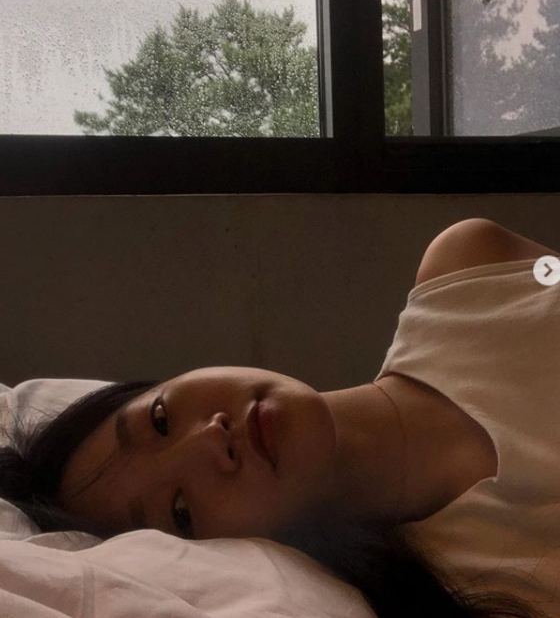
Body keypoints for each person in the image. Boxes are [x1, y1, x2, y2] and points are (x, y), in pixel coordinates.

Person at [0, 217, 558, 618]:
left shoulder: (469, 267)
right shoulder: (491, 588)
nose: (210, 441)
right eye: (181, 512)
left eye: (161, 419)